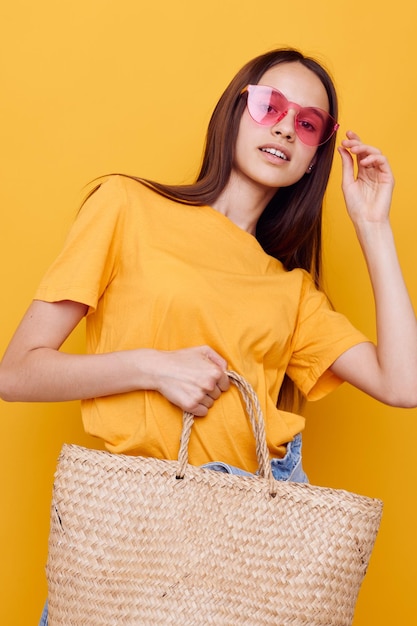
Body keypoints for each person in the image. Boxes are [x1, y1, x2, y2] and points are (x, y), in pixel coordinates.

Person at [1, 48, 417, 625]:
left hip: (245, 556)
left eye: (308, 123)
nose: (283, 127)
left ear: (316, 156)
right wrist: (152, 368)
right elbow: (16, 372)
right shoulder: (127, 206)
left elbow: (405, 383)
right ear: (235, 111)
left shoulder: (290, 292)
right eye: (271, 105)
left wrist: (373, 226)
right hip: (129, 539)